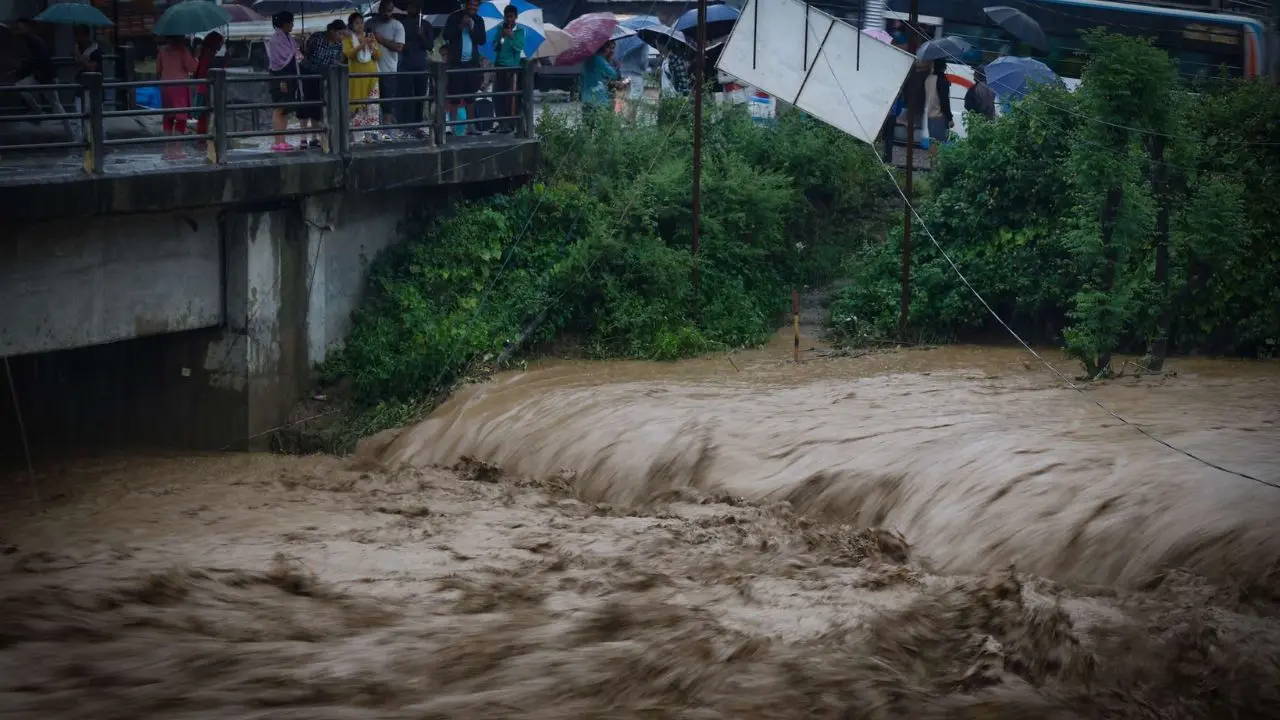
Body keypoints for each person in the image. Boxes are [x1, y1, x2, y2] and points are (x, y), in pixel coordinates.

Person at [13, 19, 72, 137]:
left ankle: (69, 131)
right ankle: (38, 112)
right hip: (38, 76)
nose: (18, 31)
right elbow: (31, 61)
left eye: (20, 28)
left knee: (55, 104)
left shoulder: (34, 41)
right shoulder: (28, 41)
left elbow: (41, 60)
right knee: (21, 87)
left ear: (27, 28)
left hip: (45, 77)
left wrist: (51, 76)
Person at [299, 20, 345, 149]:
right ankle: (303, 138)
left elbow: (338, 59)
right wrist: (303, 46)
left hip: (324, 76)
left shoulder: (339, 44)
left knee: (318, 107)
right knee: (305, 105)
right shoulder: (317, 38)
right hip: (308, 73)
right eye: (339, 34)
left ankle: (315, 137)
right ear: (332, 31)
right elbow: (306, 53)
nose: (341, 37)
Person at [444, 0, 486, 136]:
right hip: (456, 63)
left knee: (470, 97)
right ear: (465, 5)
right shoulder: (454, 17)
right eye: (470, 5)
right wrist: (460, 26)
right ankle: (451, 127)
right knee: (454, 96)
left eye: (475, 6)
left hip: (472, 63)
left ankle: (470, 127)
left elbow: (482, 40)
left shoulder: (479, 20)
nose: (472, 8)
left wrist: (472, 28)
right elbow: (446, 36)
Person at [367, 0, 405, 140]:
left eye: (389, 10)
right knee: (372, 103)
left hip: (388, 69)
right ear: (379, 9)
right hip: (371, 69)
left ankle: (387, 131)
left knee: (387, 102)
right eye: (384, 10)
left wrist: (381, 40)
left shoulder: (397, 26)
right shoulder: (370, 23)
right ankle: (373, 132)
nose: (386, 13)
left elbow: (399, 47)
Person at [156, 35, 197, 159]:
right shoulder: (182, 49)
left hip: (165, 85)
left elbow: (158, 69)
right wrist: (195, 58)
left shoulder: (162, 51)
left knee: (168, 117)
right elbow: (191, 68)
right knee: (181, 117)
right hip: (179, 86)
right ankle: (177, 150)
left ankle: (167, 149)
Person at [267, 12, 303, 152]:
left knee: (285, 110)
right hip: (280, 76)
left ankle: (283, 140)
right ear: (284, 23)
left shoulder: (287, 37)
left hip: (289, 76)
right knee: (279, 108)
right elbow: (279, 61)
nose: (292, 25)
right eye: (290, 22)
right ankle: (278, 141)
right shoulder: (276, 39)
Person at [344, 12, 382, 144]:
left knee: (372, 106)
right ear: (351, 25)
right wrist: (361, 44)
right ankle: (350, 135)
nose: (360, 25)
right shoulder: (348, 38)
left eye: (361, 22)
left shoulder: (370, 37)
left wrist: (371, 45)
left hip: (372, 77)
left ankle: (369, 135)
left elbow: (378, 56)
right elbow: (349, 54)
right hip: (357, 78)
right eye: (357, 23)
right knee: (356, 107)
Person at [399, 0, 434, 140]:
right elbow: (399, 44)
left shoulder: (426, 25)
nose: (413, 9)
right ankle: (406, 126)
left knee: (420, 96)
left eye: (416, 7)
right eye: (411, 6)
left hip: (421, 65)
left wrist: (421, 35)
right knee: (407, 96)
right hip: (406, 64)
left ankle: (418, 125)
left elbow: (430, 46)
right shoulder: (402, 25)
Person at [491, 4, 524, 133]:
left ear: (516, 17)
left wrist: (511, 36)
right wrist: (501, 36)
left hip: (512, 67)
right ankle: (500, 122)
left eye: (511, 17)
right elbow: (494, 47)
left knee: (510, 97)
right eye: (507, 17)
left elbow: (519, 47)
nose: (509, 19)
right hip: (499, 65)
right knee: (497, 96)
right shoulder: (500, 28)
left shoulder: (520, 30)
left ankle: (510, 124)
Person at [192, 30, 224, 144]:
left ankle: (202, 139)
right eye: (220, 43)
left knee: (204, 116)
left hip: (202, 88)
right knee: (204, 116)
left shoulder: (206, 53)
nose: (221, 45)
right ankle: (202, 140)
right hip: (205, 89)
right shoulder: (209, 56)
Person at [580, 40, 621, 129]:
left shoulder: (587, 58)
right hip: (599, 100)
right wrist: (609, 60)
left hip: (586, 99)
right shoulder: (599, 59)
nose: (612, 51)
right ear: (605, 48)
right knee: (603, 130)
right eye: (611, 48)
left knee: (587, 130)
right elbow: (613, 74)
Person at [72, 25, 103, 141]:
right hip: (81, 85)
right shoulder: (80, 48)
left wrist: (80, 56)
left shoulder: (95, 50)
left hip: (92, 88)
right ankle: (82, 141)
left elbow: (92, 67)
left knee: (93, 115)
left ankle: (97, 140)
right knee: (80, 115)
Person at [924, 59, 953, 158]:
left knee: (932, 143)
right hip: (939, 117)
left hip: (930, 116)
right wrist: (950, 118)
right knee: (939, 145)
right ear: (944, 68)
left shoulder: (929, 78)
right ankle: (936, 169)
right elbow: (944, 102)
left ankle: (932, 167)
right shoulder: (942, 80)